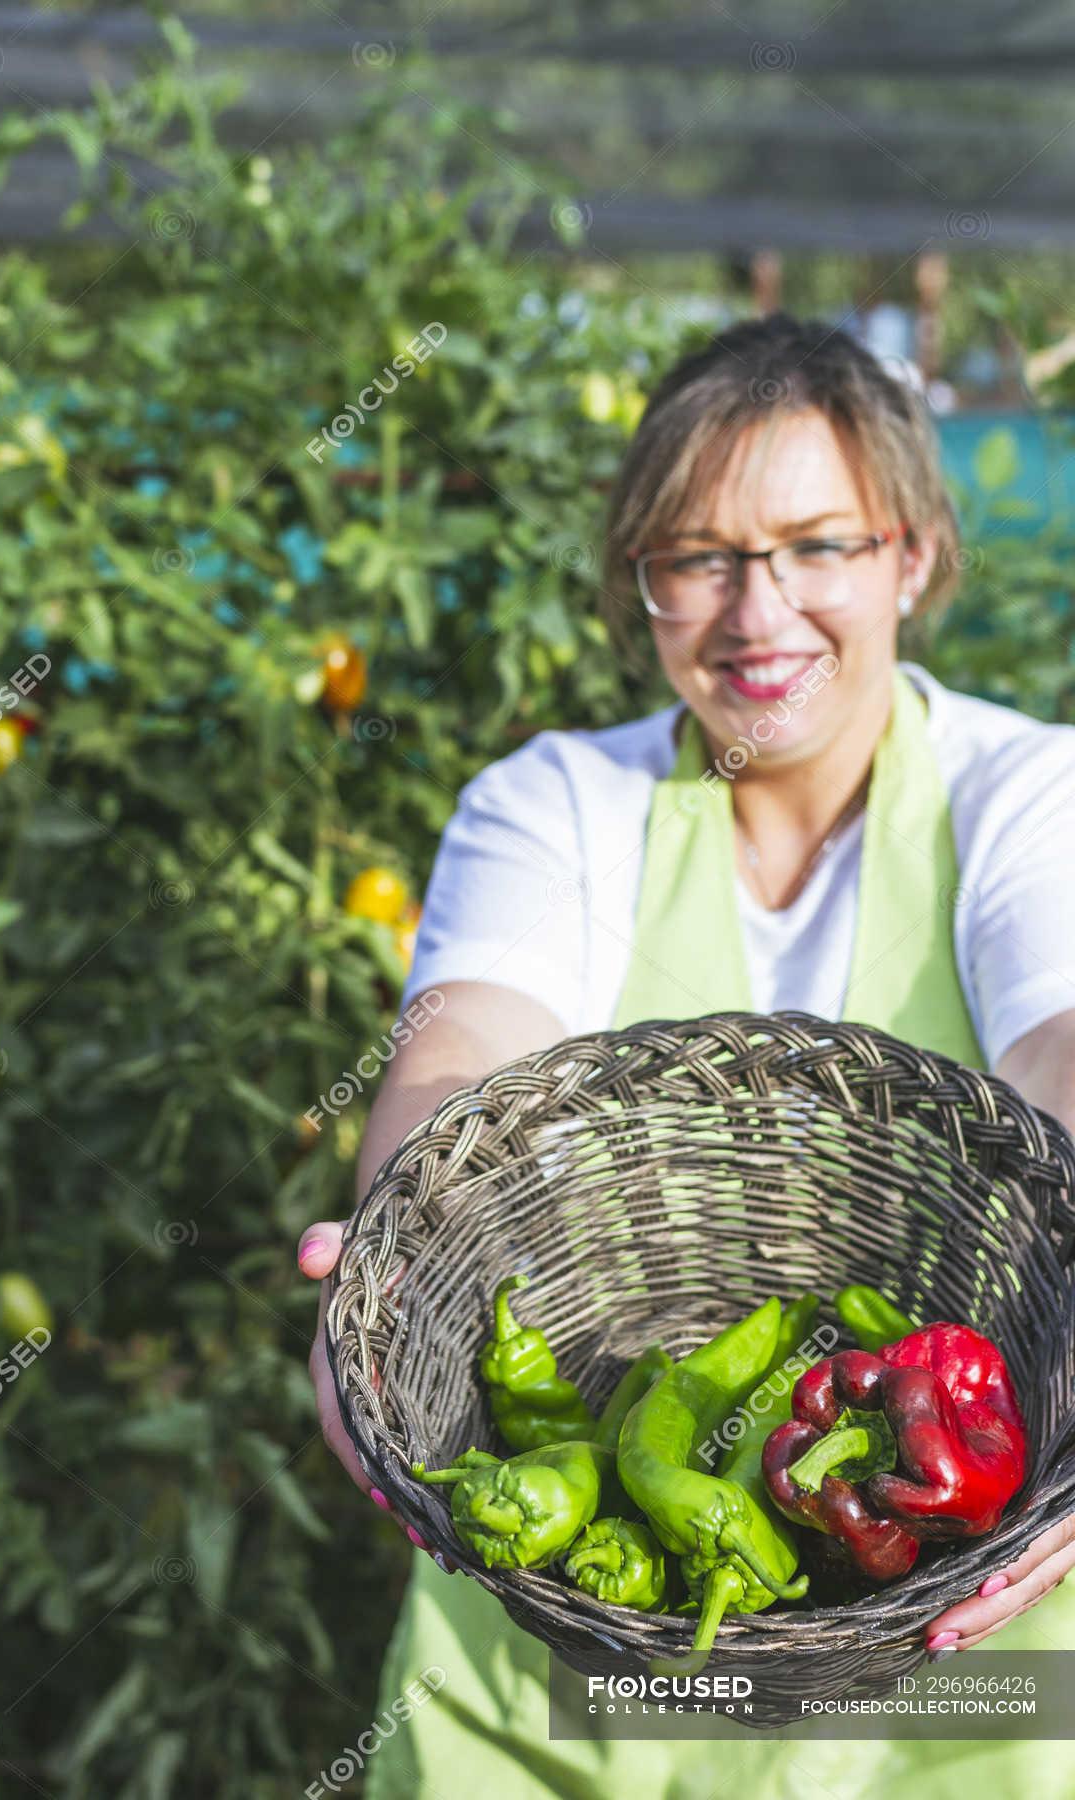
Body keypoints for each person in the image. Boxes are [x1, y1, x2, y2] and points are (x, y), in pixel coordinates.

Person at [299, 312, 1075, 1798]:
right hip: (590, 1663)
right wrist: (396, 1258)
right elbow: (464, 1056)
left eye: (816, 546)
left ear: (910, 553)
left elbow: (1059, 1048)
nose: (757, 610)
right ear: (643, 585)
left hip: (950, 1676)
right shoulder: (556, 805)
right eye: (698, 557)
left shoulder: (1026, 794)